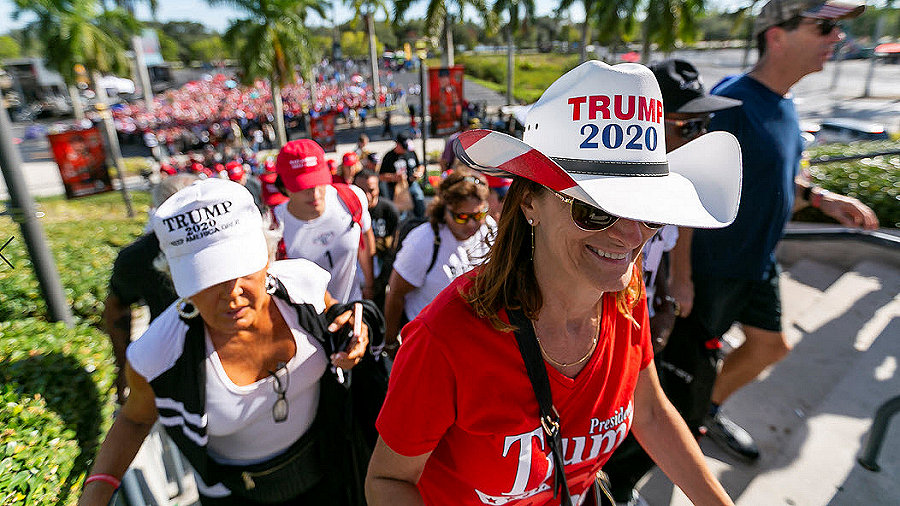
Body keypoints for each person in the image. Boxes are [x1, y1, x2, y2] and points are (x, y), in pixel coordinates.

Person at [366, 61, 741, 505]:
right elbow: (387, 482)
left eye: (649, 209)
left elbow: (653, 412)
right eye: (595, 209)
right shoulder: (444, 339)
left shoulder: (626, 295)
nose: (631, 235)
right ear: (529, 204)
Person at [80, 178, 376, 506]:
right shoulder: (158, 354)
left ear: (267, 255)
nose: (230, 293)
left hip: (328, 473)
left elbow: (339, 319)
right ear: (175, 279)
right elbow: (135, 418)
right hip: (235, 495)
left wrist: (354, 334)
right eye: (205, 277)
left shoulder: (304, 286)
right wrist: (99, 488)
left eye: (240, 270)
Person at [670, 0, 879, 462]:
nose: (836, 38)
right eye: (823, 27)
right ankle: (676, 434)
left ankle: (705, 413)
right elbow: (689, 188)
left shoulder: (785, 106)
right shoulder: (731, 104)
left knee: (770, 346)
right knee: (686, 372)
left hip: (758, 264)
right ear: (776, 36)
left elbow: (776, 178)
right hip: (715, 269)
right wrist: (680, 276)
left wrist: (824, 200)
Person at [603, 58, 743, 505]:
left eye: (704, 126)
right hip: (603, 333)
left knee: (658, 414)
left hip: (638, 323)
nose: (698, 138)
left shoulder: (675, 183)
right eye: (686, 127)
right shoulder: (611, 193)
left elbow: (673, 235)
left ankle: (616, 486)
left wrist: (670, 292)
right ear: (643, 127)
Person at [103, 174, 198, 403]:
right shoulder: (138, 256)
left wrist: (124, 366)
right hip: (175, 368)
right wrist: (126, 366)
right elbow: (115, 307)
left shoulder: (136, 255)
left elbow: (114, 308)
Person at [382, 169, 496, 351]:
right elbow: (396, 293)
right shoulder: (423, 241)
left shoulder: (490, 231)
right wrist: (390, 342)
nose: (471, 224)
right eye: (462, 217)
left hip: (472, 341)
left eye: (478, 215)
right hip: (431, 343)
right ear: (445, 210)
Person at [273, 139, 376, 303]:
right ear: (283, 186)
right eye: (302, 186)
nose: (314, 194)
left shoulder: (352, 198)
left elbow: (365, 240)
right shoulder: (273, 228)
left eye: (317, 182)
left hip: (353, 308)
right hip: (306, 323)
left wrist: (370, 287)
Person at [354, 168, 400, 311]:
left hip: (381, 276)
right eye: (361, 191)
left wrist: (380, 282)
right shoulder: (346, 212)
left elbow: (394, 248)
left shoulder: (389, 210)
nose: (367, 196)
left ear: (379, 189)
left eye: (371, 190)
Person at [378, 133, 425, 218]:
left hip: (412, 184)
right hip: (396, 188)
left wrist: (419, 173)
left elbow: (420, 166)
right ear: (397, 144)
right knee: (398, 212)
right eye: (404, 147)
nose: (405, 150)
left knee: (419, 199)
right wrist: (393, 177)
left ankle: (421, 220)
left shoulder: (411, 152)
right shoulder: (389, 156)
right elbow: (381, 176)